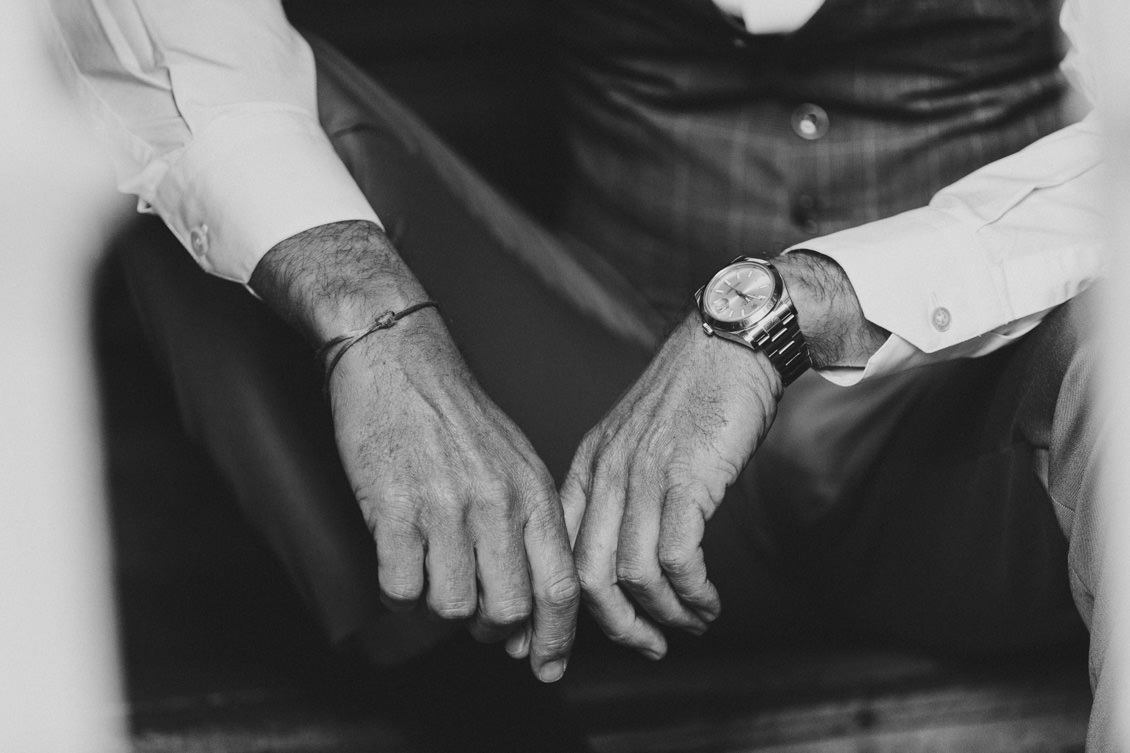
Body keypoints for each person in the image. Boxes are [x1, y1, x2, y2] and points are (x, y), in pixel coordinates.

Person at [50, 0, 1114, 747]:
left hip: (959, 476)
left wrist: (802, 301)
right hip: (585, 483)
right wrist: (375, 320)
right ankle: (459, 691)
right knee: (192, 156)